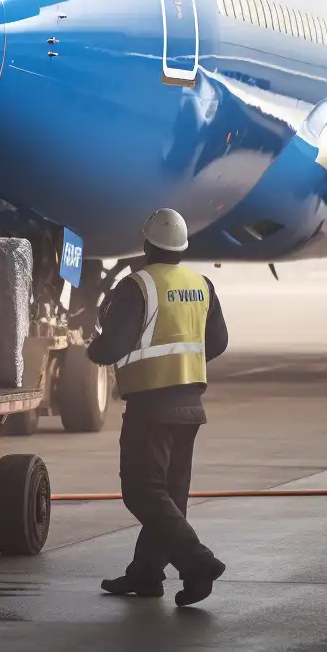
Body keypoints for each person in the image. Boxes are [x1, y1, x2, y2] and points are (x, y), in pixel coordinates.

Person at [86, 207, 229, 607]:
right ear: (182, 247)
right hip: (190, 406)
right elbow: (216, 342)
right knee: (169, 494)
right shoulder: (202, 285)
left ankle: (197, 562)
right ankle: (147, 575)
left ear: (147, 245)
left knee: (142, 492)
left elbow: (112, 347)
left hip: (151, 406)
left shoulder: (138, 286)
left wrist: (92, 349)